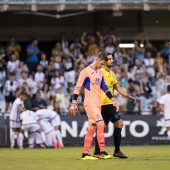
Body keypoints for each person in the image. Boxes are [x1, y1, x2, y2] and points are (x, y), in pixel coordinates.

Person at [68, 52, 119, 160]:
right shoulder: (86, 71)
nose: (102, 66)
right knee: (101, 124)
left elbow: (105, 87)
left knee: (92, 127)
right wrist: (74, 103)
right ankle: (102, 152)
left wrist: (113, 99)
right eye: (102, 64)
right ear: (97, 60)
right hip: (89, 103)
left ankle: (85, 154)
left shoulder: (100, 72)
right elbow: (78, 87)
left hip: (97, 104)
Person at [93, 53, 136, 159]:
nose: (112, 60)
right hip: (104, 104)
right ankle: (116, 151)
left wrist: (128, 96)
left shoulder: (112, 73)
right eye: (109, 59)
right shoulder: (100, 72)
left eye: (112, 58)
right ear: (104, 61)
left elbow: (117, 87)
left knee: (102, 127)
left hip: (108, 103)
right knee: (119, 123)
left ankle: (97, 152)